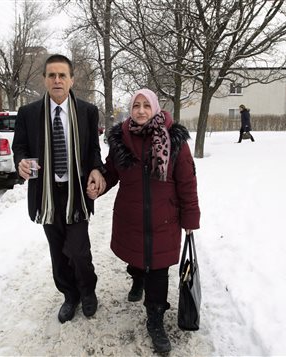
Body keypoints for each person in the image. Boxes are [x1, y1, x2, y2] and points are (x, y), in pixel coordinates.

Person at [89, 89, 200, 353]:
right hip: (132, 217)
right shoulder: (121, 139)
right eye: (135, 106)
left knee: (158, 270)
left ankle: (155, 319)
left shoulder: (174, 138)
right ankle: (137, 278)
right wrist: (99, 184)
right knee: (138, 260)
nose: (140, 111)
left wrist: (190, 218)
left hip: (165, 219)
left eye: (145, 106)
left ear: (155, 108)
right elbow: (112, 172)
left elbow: (187, 181)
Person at [12, 54, 106, 324]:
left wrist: (97, 169)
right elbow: (20, 147)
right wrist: (20, 162)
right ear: (44, 80)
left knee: (78, 249)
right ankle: (70, 295)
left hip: (76, 191)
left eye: (62, 75)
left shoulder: (87, 111)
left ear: (71, 79)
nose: (57, 80)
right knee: (57, 250)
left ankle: (88, 292)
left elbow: (93, 150)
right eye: (51, 75)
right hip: (46, 194)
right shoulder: (28, 113)